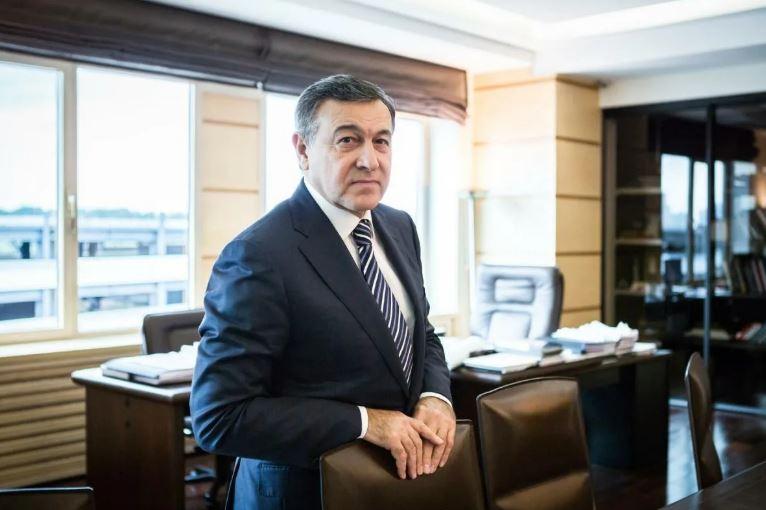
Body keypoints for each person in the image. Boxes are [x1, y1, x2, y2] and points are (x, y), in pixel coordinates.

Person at [190, 74, 455, 510]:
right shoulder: (258, 254)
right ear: (303, 150)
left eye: (382, 141)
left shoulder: (399, 226)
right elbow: (220, 416)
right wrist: (365, 422)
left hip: (395, 486)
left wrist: (435, 397)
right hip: (303, 493)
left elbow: (420, 334)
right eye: (347, 140)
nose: (370, 160)